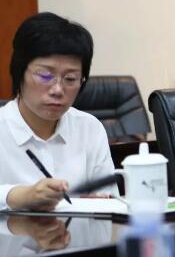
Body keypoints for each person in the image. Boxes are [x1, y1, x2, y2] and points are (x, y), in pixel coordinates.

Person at [0, 13, 117, 211]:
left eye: (70, 79)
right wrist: (19, 196)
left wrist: (99, 201)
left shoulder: (89, 128)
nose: (57, 90)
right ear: (19, 72)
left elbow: (111, 202)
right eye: (45, 75)